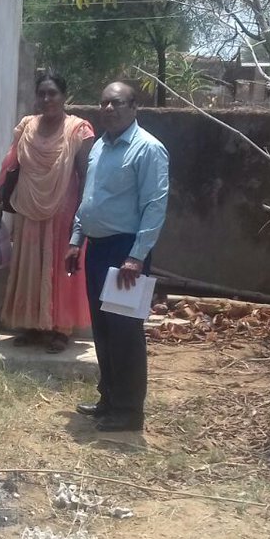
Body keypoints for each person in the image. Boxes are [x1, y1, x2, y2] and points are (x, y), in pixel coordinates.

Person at [65, 81, 169, 431]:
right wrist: (76, 239)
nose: (109, 109)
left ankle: (128, 412)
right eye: (104, 102)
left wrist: (137, 256)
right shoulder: (99, 148)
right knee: (103, 330)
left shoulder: (148, 150)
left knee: (125, 331)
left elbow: (155, 208)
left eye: (118, 103)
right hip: (97, 249)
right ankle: (108, 398)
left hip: (126, 253)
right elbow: (89, 198)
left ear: (134, 107)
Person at [0, 71, 95, 353]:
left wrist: (81, 214)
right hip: (27, 206)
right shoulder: (27, 125)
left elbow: (85, 173)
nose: (47, 99)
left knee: (60, 267)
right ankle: (32, 326)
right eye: (42, 93)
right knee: (29, 265)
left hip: (64, 208)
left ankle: (62, 329)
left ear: (64, 96)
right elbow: (10, 165)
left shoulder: (79, 129)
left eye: (53, 93)